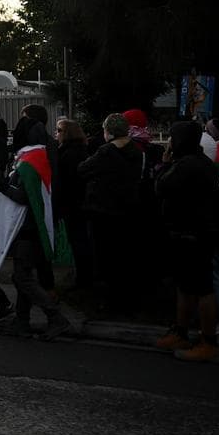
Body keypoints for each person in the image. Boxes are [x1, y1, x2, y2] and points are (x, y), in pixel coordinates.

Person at [152, 121, 219, 362]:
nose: (169, 141)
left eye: (171, 137)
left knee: (201, 288)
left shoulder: (187, 165)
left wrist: (165, 162)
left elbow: (160, 186)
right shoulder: (200, 162)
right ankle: (181, 332)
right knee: (186, 285)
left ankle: (209, 342)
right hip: (188, 233)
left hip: (194, 234)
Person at [0, 170, 75, 340]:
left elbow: (23, 197)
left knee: (22, 278)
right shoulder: (32, 163)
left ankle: (55, 317)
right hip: (27, 230)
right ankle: (22, 321)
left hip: (28, 231)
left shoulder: (31, 167)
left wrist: (2, 186)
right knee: (22, 277)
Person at [78, 113, 144, 311]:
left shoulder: (106, 151)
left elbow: (82, 169)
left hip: (103, 210)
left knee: (105, 256)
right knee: (124, 255)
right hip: (128, 208)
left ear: (109, 131)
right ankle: (128, 297)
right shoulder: (136, 151)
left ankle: (110, 300)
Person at [54, 118, 93, 289]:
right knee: (80, 240)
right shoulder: (81, 150)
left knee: (78, 241)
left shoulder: (68, 153)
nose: (56, 134)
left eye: (59, 130)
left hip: (72, 203)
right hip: (79, 202)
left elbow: (66, 180)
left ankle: (82, 279)